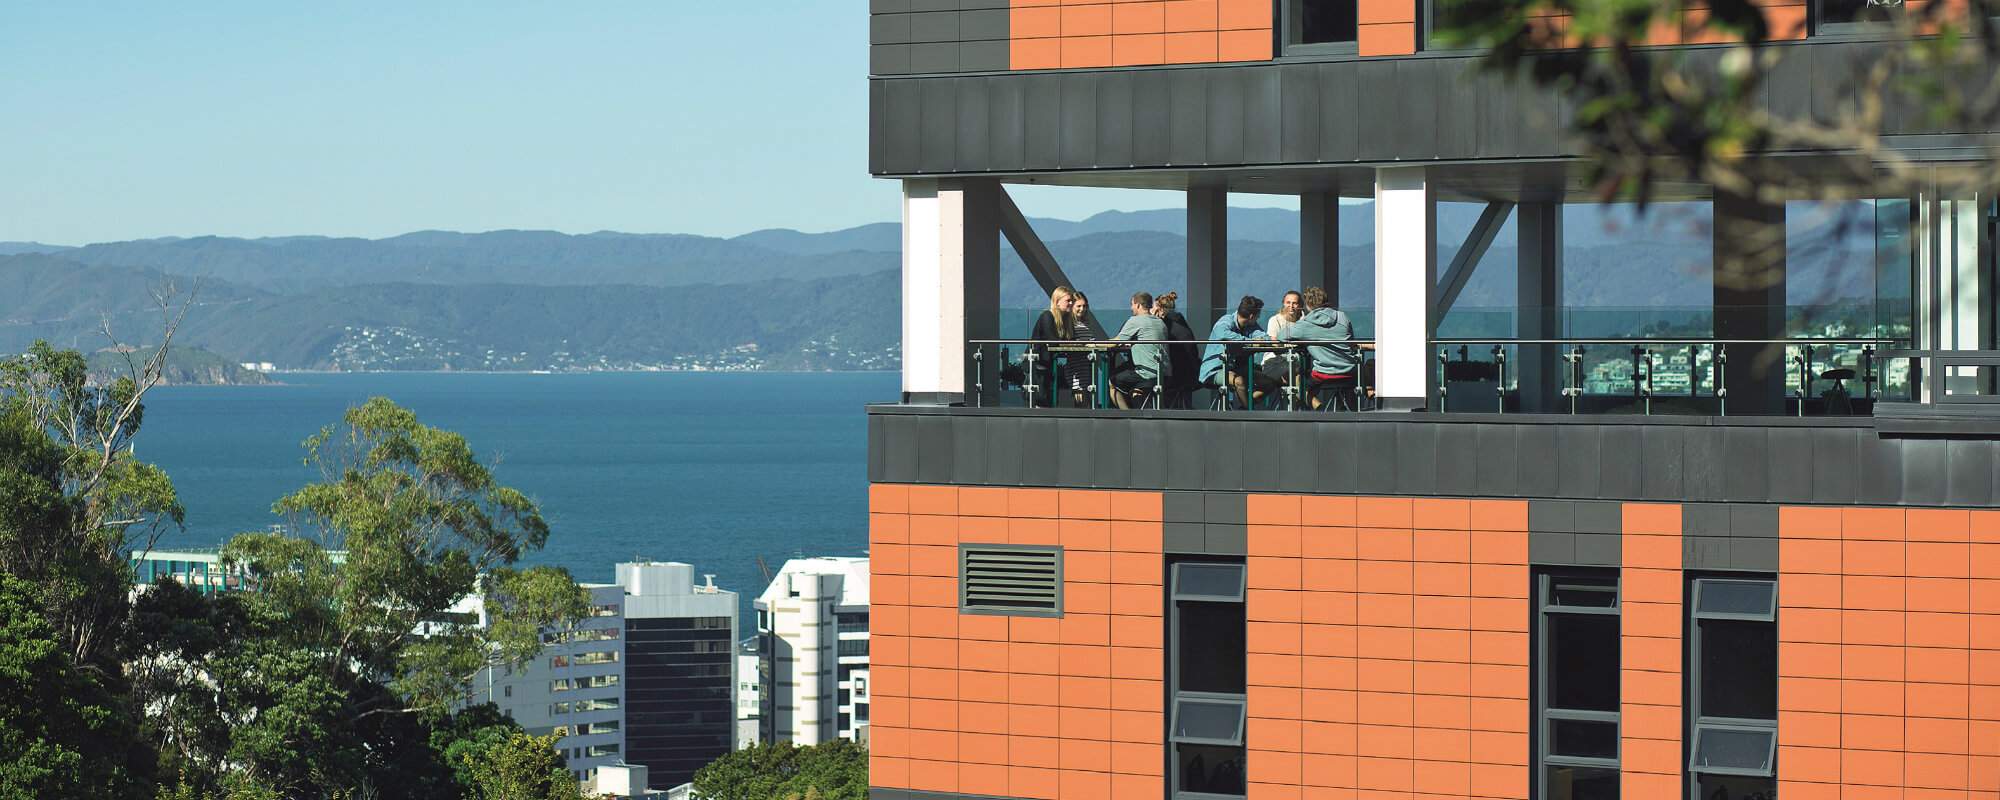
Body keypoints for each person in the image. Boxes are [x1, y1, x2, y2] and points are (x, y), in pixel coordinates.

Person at [1275, 286, 1366, 410]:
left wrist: (1301, 323)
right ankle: (1349, 413)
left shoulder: (1305, 325)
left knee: (1297, 384)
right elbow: (1351, 341)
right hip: (1348, 372)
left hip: (1322, 374)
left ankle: (1320, 409)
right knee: (1348, 384)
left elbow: (1281, 336)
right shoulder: (1342, 317)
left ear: (1307, 305)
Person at [1199, 296, 1272, 409]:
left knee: (1269, 382)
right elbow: (1221, 334)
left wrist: (1262, 341)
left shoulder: (1251, 326)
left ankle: (1245, 408)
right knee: (1239, 381)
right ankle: (1250, 413)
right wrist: (1250, 342)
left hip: (1237, 368)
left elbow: (1264, 337)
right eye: (1258, 316)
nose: (1258, 318)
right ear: (1251, 316)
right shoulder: (1226, 321)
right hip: (1215, 370)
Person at [1109, 291, 1167, 409]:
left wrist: (1092, 343)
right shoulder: (1159, 322)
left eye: (1132, 304)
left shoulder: (1136, 320)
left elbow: (1114, 343)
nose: (1131, 308)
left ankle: (1127, 415)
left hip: (1148, 371)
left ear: (1138, 305)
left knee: (1113, 382)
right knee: (1133, 386)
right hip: (1165, 372)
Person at [1026, 286, 1074, 408]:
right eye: (1068, 300)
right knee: (1041, 399)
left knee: (1049, 398)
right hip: (1038, 364)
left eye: (1071, 300)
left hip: (1048, 365)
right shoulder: (1047, 316)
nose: (1071, 303)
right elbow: (1052, 340)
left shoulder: (1065, 319)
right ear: (1057, 301)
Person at [1153, 292, 1200, 408]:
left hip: (1177, 375)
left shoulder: (1164, 326)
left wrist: (1152, 319)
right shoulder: (1180, 321)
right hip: (1192, 370)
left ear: (1161, 311)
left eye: (1154, 309)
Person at [1063, 291, 1102, 407]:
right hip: (1075, 365)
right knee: (1080, 396)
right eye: (1078, 306)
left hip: (1087, 365)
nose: (1082, 309)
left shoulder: (1086, 323)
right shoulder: (1069, 323)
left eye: (1084, 306)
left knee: (1087, 397)